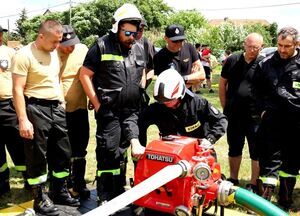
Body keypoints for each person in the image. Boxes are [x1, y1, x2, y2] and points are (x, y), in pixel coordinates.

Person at [12, 19, 79, 216]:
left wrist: (61, 101)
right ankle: (40, 198)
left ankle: (59, 190)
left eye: (59, 42)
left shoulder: (54, 53)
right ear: (41, 36)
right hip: (36, 108)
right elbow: (17, 89)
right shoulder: (24, 55)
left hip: (56, 108)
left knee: (63, 151)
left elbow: (55, 79)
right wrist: (23, 119)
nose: (57, 46)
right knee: (36, 155)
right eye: (54, 42)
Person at [79, 3, 146, 203]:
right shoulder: (100, 46)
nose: (131, 37)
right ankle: (105, 195)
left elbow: (142, 72)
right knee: (108, 150)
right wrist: (97, 104)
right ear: (116, 27)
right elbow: (84, 75)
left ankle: (119, 188)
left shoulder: (138, 48)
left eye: (134, 33)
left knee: (125, 149)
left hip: (132, 110)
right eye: (127, 33)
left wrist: (138, 89)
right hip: (109, 111)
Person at [253, 27, 300, 209]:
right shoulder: (265, 64)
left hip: (296, 123)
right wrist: (262, 111)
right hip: (272, 122)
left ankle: (285, 202)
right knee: (269, 165)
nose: (282, 49)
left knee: (291, 164)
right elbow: (255, 91)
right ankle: (265, 204)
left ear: (296, 44)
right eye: (279, 45)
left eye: (287, 46)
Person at [139, 68, 227, 150]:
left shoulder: (198, 103)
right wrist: (138, 144)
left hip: (198, 150)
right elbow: (139, 121)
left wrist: (210, 139)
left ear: (180, 93)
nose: (166, 103)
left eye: (170, 100)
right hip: (171, 151)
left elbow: (221, 120)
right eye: (163, 101)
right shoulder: (158, 108)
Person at [219, 33, 264, 192]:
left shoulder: (263, 63)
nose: (252, 50)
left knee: (256, 151)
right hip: (234, 114)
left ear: (261, 47)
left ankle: (253, 182)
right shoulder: (232, 60)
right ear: (244, 45)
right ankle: (233, 178)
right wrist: (225, 106)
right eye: (250, 46)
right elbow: (223, 83)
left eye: (256, 48)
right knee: (234, 147)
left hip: (255, 116)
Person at [58, 25, 90, 199]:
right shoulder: (53, 53)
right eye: (67, 44)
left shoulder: (82, 49)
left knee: (80, 149)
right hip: (60, 112)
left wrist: (92, 98)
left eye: (73, 43)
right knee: (62, 150)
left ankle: (79, 183)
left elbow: (89, 75)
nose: (71, 47)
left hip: (80, 109)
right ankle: (63, 186)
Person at [0, 25, 27, 195]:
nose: (0, 36)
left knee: (18, 145)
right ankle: (2, 186)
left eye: (1, 33)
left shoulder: (9, 53)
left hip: (9, 105)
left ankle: (29, 180)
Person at [153, 24, 205, 90]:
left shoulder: (189, 48)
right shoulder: (159, 57)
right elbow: (167, 84)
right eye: (174, 41)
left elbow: (202, 76)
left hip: (189, 97)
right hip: (170, 99)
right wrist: (192, 78)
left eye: (181, 40)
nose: (179, 43)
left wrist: (182, 79)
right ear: (165, 38)